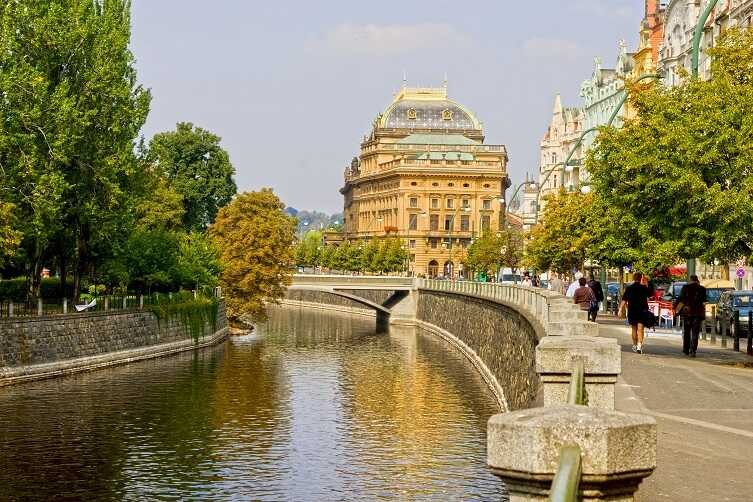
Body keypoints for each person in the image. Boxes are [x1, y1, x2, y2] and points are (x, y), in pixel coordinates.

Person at [619, 272, 652, 354]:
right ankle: (639, 345)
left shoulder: (629, 288)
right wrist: (646, 283)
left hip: (632, 310)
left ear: (633, 278)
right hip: (642, 310)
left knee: (634, 328)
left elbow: (624, 299)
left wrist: (620, 309)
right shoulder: (643, 288)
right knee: (640, 329)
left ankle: (634, 345)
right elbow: (650, 295)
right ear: (641, 278)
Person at [674, 275, 706, 357]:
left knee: (687, 331)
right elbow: (704, 300)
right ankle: (693, 351)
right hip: (698, 313)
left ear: (690, 280)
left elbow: (680, 298)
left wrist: (675, 307)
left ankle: (686, 349)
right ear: (697, 280)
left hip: (687, 312)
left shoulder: (686, 287)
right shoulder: (702, 289)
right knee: (695, 333)